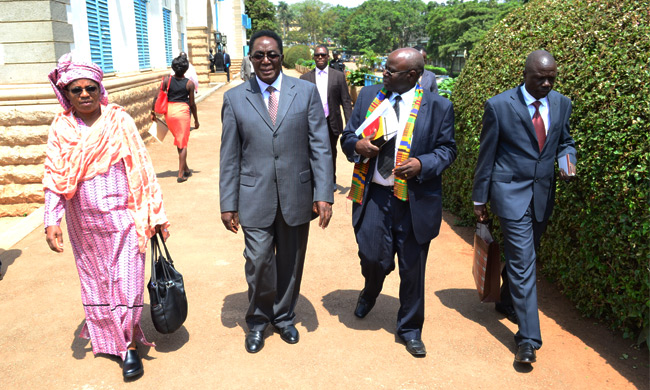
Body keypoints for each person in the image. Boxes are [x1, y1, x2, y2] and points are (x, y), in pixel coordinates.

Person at [44, 52, 170, 379]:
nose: (85, 94)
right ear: (66, 93)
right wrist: (51, 220)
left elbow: (143, 169)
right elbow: (54, 175)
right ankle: (109, 339)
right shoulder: (61, 128)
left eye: (90, 88)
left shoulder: (119, 121)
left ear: (101, 89)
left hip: (124, 218)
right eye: (76, 89)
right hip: (82, 224)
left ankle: (128, 346)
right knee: (96, 282)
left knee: (127, 283)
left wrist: (153, 213)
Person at [220, 30, 334, 354]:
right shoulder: (235, 98)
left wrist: (323, 192)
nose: (266, 61)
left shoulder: (307, 92)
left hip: (297, 194)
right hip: (253, 194)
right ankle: (257, 320)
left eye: (271, 55)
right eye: (259, 55)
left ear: (281, 56)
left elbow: (320, 147)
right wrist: (228, 202)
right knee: (258, 261)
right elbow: (229, 156)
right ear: (251, 59)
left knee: (291, 262)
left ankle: (283, 317)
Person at [340, 48, 457, 357]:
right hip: (375, 195)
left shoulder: (439, 107)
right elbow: (347, 136)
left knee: (412, 268)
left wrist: (422, 163)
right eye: (385, 68)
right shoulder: (368, 97)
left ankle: (409, 329)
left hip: (414, 200)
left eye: (391, 71)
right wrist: (358, 145)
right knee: (372, 257)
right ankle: (371, 289)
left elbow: (448, 150)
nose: (384, 75)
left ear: (413, 76)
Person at [472, 50, 577, 365]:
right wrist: (480, 199)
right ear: (525, 74)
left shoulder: (562, 103)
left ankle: (506, 301)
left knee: (523, 258)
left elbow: (565, 142)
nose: (546, 83)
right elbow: (486, 155)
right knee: (524, 263)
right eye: (539, 78)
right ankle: (528, 340)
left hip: (543, 195)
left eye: (551, 78)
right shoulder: (500, 105)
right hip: (509, 194)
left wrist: (567, 162)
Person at [300, 45, 353, 191]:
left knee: (330, 152)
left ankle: (331, 180)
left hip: (332, 121)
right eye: (317, 55)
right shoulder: (305, 78)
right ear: (314, 57)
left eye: (323, 55)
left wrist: (350, 125)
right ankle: (315, 180)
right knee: (312, 151)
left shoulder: (338, 76)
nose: (320, 58)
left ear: (328, 57)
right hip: (312, 123)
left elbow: (346, 101)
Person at [151, 54, 200, 183]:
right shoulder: (189, 84)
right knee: (183, 144)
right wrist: (196, 120)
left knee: (179, 140)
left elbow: (157, 96)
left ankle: (186, 168)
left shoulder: (167, 80)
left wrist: (152, 111)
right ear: (186, 69)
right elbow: (192, 105)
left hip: (169, 112)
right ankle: (181, 174)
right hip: (182, 113)